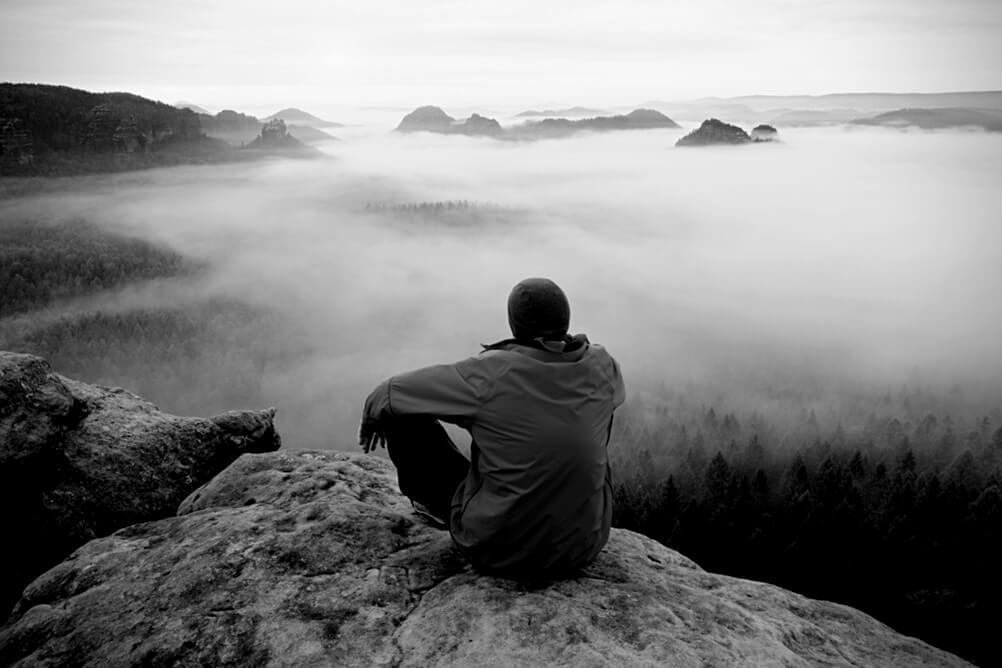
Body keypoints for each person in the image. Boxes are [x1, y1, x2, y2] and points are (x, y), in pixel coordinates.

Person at [359, 277, 625, 578]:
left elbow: (389, 394)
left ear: (514, 325)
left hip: (498, 550)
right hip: (583, 546)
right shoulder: (604, 366)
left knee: (403, 417)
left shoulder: (488, 375)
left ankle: (445, 509)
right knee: (597, 425)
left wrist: (373, 416)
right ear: (566, 320)